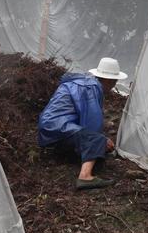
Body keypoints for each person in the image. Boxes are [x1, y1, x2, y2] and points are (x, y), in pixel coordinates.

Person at [38, 57, 127, 190]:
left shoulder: (81, 82)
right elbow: (92, 121)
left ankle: (65, 154)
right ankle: (85, 176)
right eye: (114, 82)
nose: (114, 86)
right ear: (108, 80)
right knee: (96, 138)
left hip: (50, 128)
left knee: (92, 139)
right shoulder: (91, 87)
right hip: (59, 127)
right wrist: (101, 140)